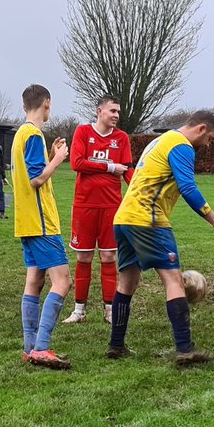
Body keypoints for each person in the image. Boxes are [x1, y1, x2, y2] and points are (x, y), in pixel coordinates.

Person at [107, 110, 214, 365]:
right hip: (148, 219)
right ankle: (185, 349)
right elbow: (188, 188)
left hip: (124, 218)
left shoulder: (161, 140)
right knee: (173, 279)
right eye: (210, 138)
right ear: (200, 129)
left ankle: (116, 345)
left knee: (127, 282)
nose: (209, 144)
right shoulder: (182, 146)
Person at [10, 84, 71, 369]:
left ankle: (29, 346)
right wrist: (58, 159)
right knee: (62, 281)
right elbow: (36, 179)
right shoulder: (33, 133)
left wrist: (49, 154)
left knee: (34, 281)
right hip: (42, 221)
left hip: (26, 220)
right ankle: (42, 347)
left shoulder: (20, 135)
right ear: (46, 103)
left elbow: (28, 171)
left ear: (25, 106)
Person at [64, 95, 133, 325]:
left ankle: (110, 310)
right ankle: (79, 310)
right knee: (84, 257)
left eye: (118, 112)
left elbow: (127, 171)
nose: (116, 115)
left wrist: (138, 190)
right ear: (99, 111)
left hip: (112, 206)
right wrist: (109, 166)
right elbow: (77, 163)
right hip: (84, 205)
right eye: (112, 111)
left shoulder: (121, 138)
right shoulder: (83, 132)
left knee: (108, 256)